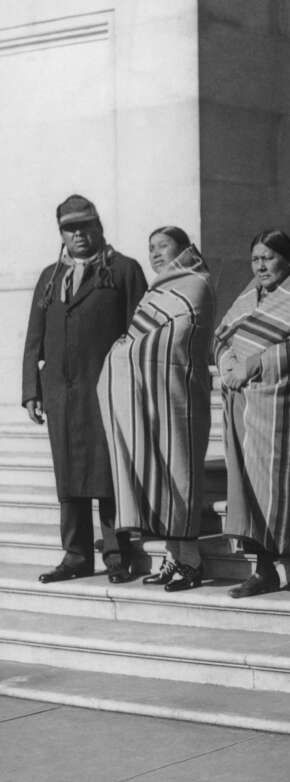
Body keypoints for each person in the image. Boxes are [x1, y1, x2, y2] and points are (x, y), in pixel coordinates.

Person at [23, 195, 146, 584]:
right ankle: (75, 555)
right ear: (61, 234)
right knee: (70, 476)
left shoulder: (123, 271)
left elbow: (140, 334)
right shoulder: (50, 277)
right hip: (61, 392)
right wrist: (32, 388)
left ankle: (116, 555)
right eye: (70, 228)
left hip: (106, 390)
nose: (78, 234)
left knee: (107, 473)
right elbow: (34, 338)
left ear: (98, 227)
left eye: (85, 226)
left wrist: (133, 387)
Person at [217, 230, 290, 602]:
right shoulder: (249, 294)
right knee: (253, 491)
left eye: (269, 257)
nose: (261, 265)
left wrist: (252, 364)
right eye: (256, 259)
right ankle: (263, 571)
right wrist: (228, 363)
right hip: (249, 411)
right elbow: (222, 336)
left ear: (287, 258)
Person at [98, 227, 214, 592]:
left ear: (183, 249)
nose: (155, 254)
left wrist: (126, 351)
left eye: (163, 246)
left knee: (181, 472)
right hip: (153, 394)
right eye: (151, 248)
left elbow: (178, 334)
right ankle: (172, 556)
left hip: (181, 394)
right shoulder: (156, 290)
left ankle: (191, 560)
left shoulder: (196, 283)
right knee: (162, 474)